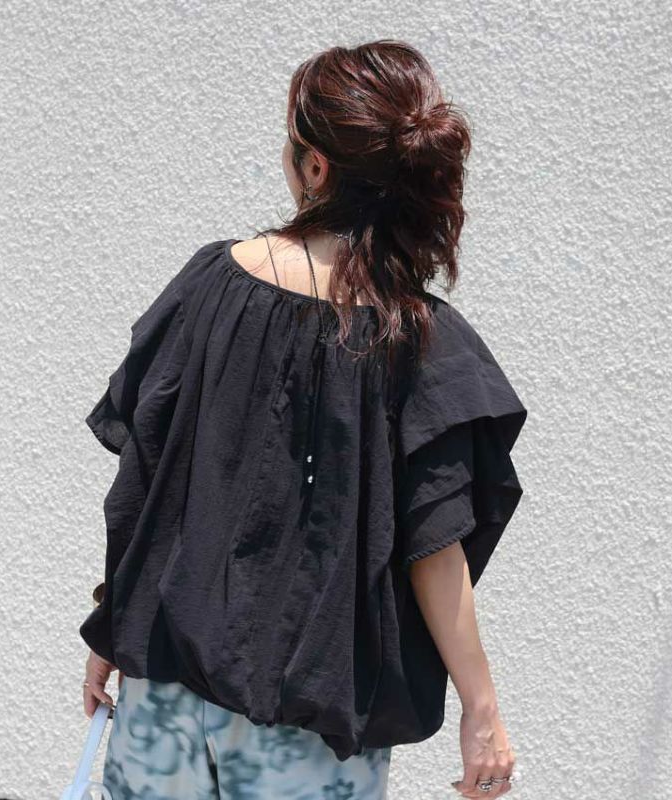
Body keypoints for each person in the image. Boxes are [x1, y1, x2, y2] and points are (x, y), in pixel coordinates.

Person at [79, 39, 526, 799]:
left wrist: (113, 623)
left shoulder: (210, 286)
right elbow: (434, 544)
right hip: (309, 721)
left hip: (166, 688)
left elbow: (147, 483)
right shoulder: (418, 340)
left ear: (316, 167)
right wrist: (482, 709)